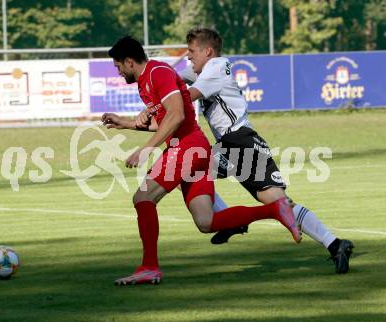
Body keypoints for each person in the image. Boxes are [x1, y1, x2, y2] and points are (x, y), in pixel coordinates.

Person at [103, 36, 301, 286]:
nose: (118, 72)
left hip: (187, 146)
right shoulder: (146, 80)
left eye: (118, 66)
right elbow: (167, 120)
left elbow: (177, 115)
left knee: (143, 198)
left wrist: (146, 150)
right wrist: (127, 123)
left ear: (130, 62)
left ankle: (149, 267)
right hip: (194, 149)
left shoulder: (157, 72)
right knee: (206, 222)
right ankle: (275, 209)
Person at [177, 28, 354, 274]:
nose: (188, 57)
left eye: (192, 52)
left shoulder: (216, 66)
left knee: (279, 204)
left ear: (208, 51)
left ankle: (335, 244)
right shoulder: (205, 68)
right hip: (231, 145)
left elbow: (186, 96)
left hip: (241, 143)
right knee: (187, 170)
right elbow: (174, 78)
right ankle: (230, 220)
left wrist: (159, 103)